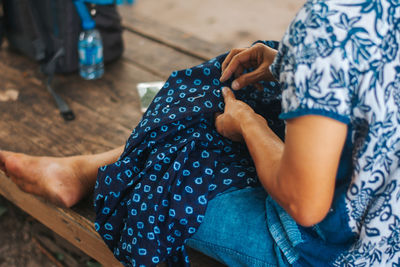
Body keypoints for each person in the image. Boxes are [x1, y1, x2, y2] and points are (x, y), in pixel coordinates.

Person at [1, 0, 400, 266]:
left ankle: (89, 171)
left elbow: (305, 202)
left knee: (170, 167)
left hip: (331, 250)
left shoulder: (327, 27)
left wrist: (248, 124)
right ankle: (86, 168)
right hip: (382, 212)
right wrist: (287, 64)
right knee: (225, 92)